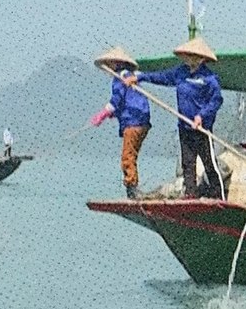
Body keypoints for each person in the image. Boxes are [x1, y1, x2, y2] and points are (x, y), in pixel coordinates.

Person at [127, 37, 223, 199]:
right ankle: (191, 195)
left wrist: (201, 116)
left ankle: (219, 195)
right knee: (188, 162)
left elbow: (216, 101)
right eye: (186, 55)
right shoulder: (180, 73)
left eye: (192, 56)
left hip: (202, 129)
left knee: (209, 163)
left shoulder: (209, 78)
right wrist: (140, 77)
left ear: (201, 58)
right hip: (184, 127)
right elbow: (162, 77)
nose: (188, 58)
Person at [91, 46, 151, 200]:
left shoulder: (121, 77)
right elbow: (128, 100)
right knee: (132, 155)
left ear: (116, 63)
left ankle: (132, 189)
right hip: (141, 121)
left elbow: (116, 99)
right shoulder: (131, 76)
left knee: (127, 156)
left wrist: (103, 114)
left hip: (133, 121)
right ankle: (132, 187)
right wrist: (115, 114)